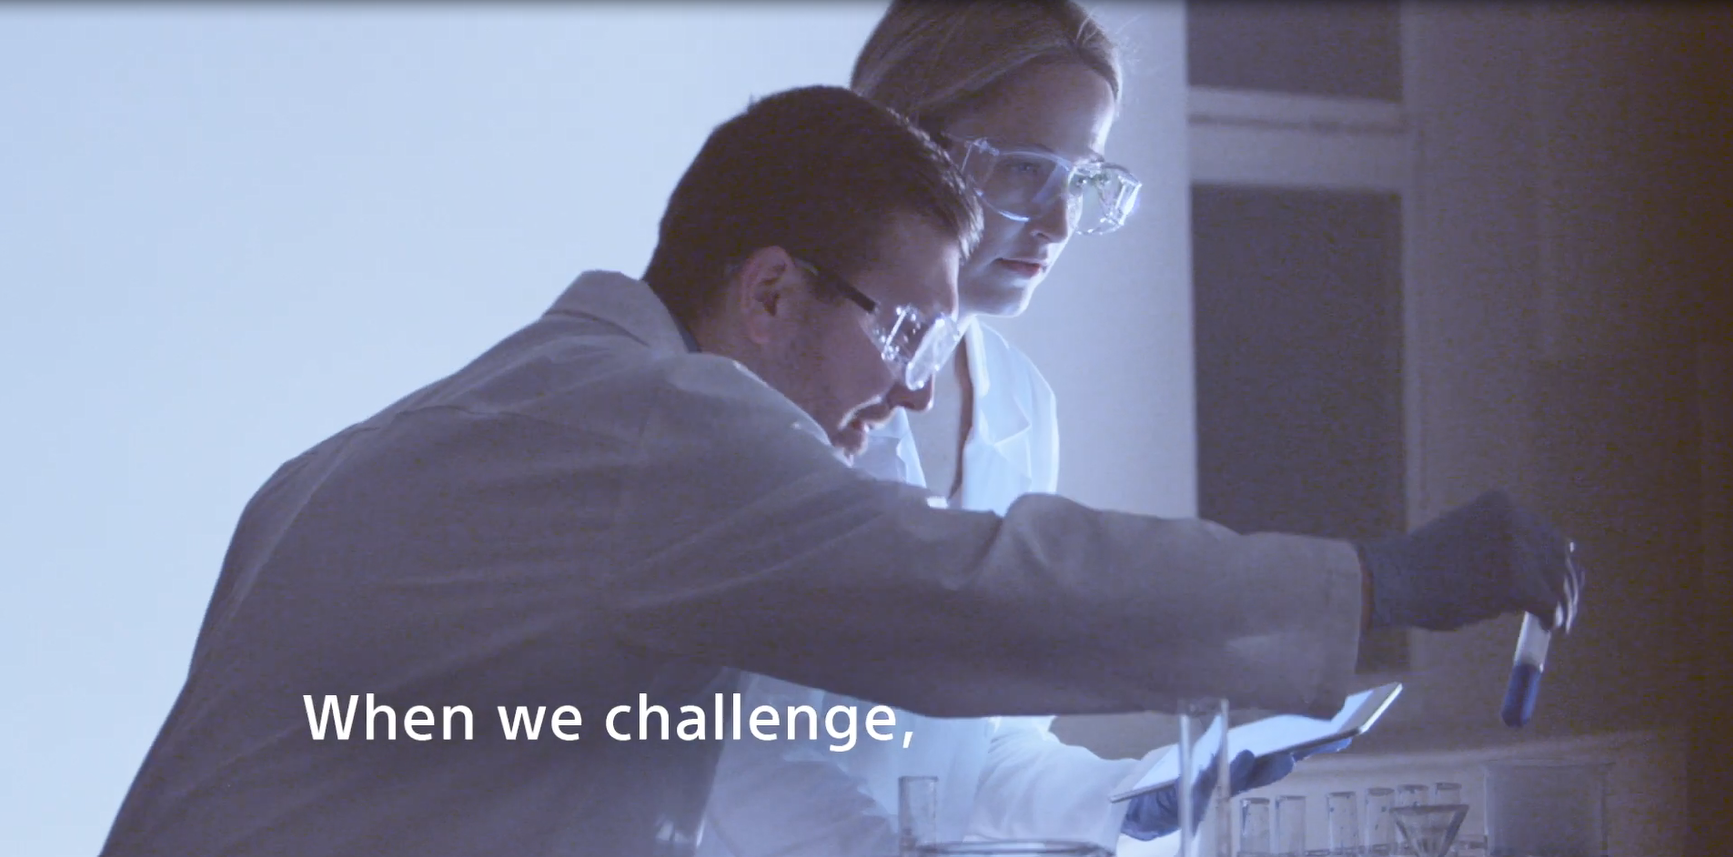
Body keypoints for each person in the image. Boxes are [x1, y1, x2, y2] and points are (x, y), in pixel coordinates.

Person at [99, 84, 1579, 857]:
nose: (906, 395)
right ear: (769, 292)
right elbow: (967, 598)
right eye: (904, 330)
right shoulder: (655, 437)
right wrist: (1373, 577)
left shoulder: (394, 450)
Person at [699, 3, 1313, 853]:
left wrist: (1127, 794)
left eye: (1081, 179)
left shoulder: (1022, 406)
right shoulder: (766, 385)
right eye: (1025, 170)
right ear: (899, 151)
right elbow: (737, 746)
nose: (1057, 224)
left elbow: (982, 745)